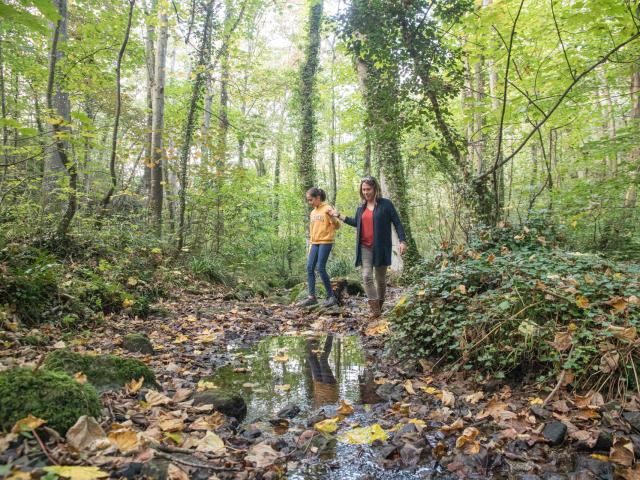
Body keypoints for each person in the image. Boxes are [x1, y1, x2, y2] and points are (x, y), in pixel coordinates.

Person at [328, 176, 406, 319]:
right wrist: (338, 215)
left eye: (368, 189)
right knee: (366, 276)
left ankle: (380, 306)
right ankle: (375, 310)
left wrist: (402, 241)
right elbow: (356, 222)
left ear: (375, 189)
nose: (365, 192)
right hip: (365, 246)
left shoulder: (386, 205)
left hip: (381, 247)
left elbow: (397, 223)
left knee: (380, 279)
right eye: (363, 189)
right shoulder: (361, 207)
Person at [299, 187, 340, 308]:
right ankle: (312, 297)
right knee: (310, 267)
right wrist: (310, 244)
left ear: (318, 198)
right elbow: (312, 230)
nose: (309, 202)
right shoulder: (313, 212)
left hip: (326, 241)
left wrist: (332, 217)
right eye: (308, 200)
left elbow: (337, 226)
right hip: (315, 242)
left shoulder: (327, 208)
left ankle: (331, 296)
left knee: (321, 267)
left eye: (311, 200)